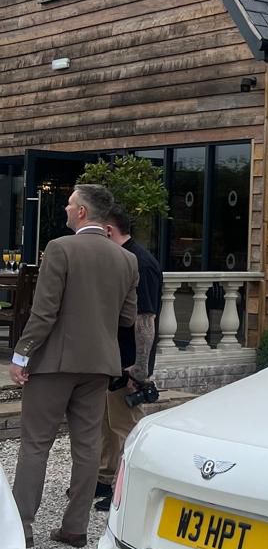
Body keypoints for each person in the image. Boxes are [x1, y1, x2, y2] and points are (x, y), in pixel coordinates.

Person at [9, 183, 138, 549]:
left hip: (55, 363)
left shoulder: (60, 248)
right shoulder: (126, 259)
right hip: (99, 363)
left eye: (69, 204)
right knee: (86, 448)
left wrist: (21, 355)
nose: (65, 209)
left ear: (82, 212)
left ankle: (23, 527)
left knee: (36, 443)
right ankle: (75, 527)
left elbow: (44, 312)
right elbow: (127, 318)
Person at [95, 205, 164, 512]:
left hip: (129, 362)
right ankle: (104, 476)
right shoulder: (125, 258)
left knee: (125, 425)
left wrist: (140, 369)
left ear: (109, 230)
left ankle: (125, 486)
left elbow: (145, 318)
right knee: (108, 423)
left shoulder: (141, 263)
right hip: (114, 357)